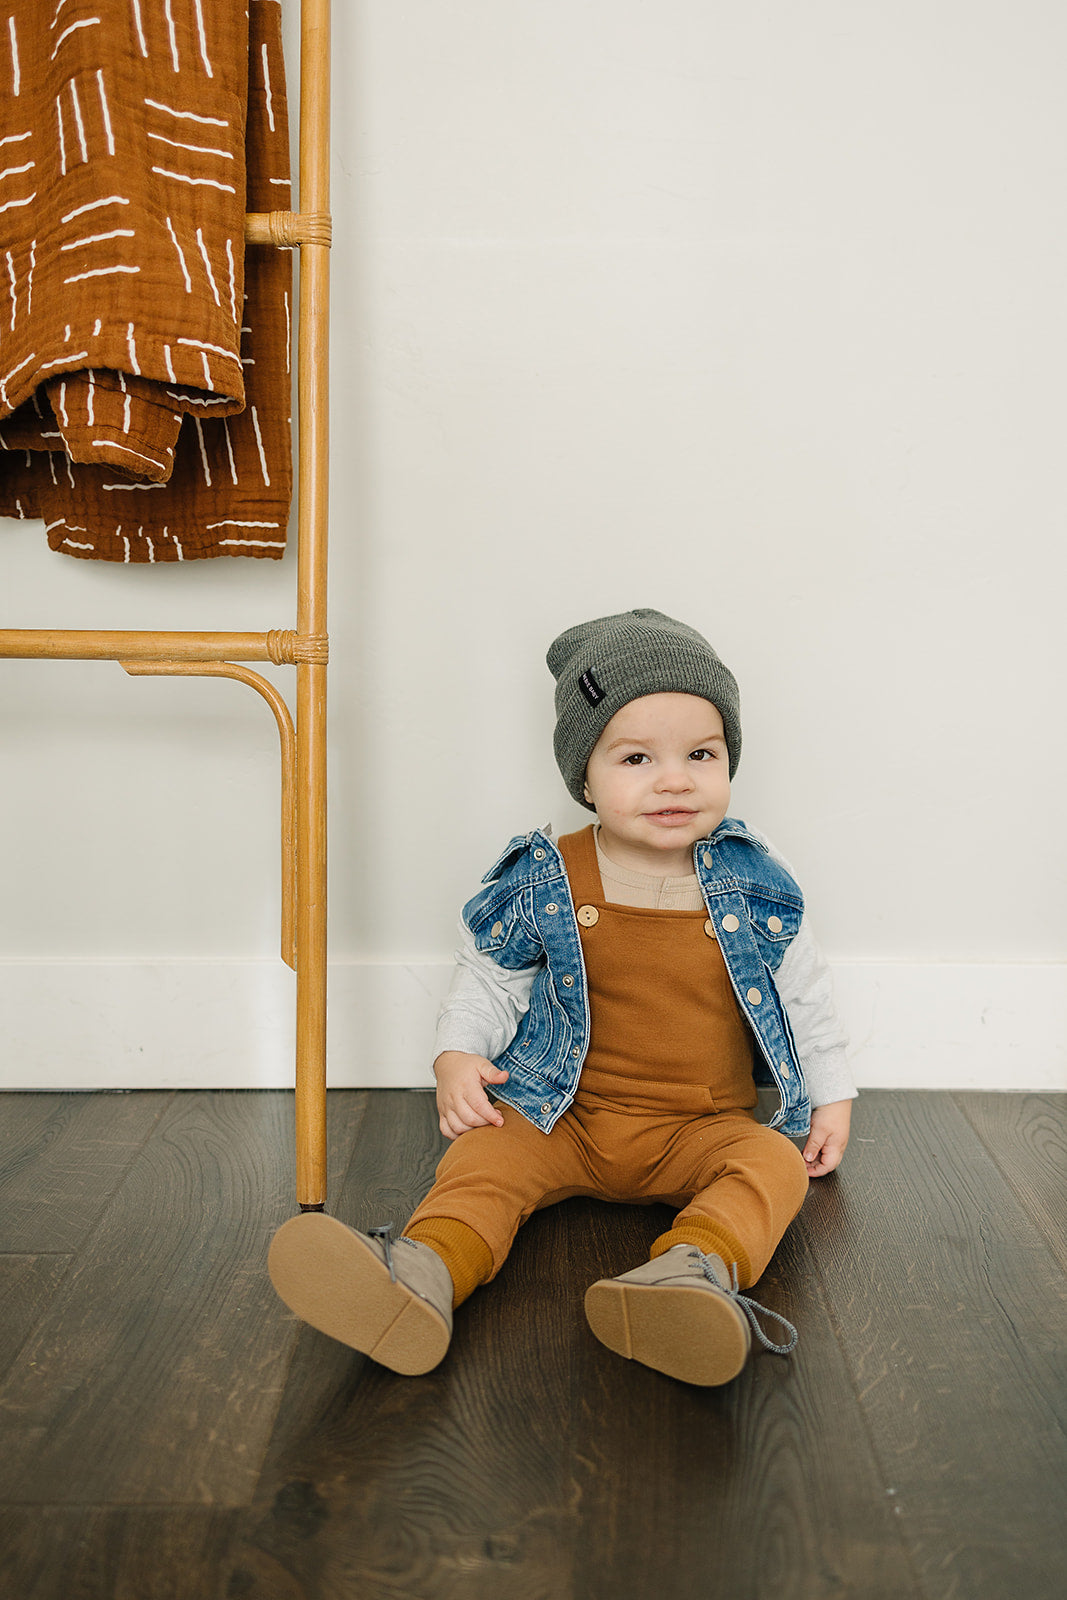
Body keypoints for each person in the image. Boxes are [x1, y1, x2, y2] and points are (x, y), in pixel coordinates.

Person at [269, 608, 856, 1385]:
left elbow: (802, 988)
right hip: (561, 1116)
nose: (674, 779)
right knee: (482, 1158)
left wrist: (830, 1093)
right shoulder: (548, 872)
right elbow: (489, 975)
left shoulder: (753, 877)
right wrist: (456, 1054)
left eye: (701, 754)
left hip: (699, 1127)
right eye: (636, 757)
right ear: (584, 775)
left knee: (770, 1165)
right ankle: (424, 1271)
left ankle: (690, 1274)